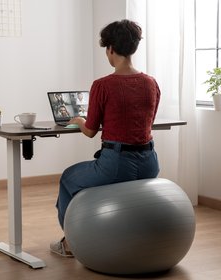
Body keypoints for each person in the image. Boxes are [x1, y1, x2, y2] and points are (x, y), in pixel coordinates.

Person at [50, 19, 161, 257]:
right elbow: (146, 122)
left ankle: (70, 244)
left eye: (106, 50)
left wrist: (79, 120)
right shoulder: (151, 83)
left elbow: (90, 131)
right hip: (150, 162)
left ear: (110, 48)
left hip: (116, 164)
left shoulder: (102, 85)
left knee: (69, 178)